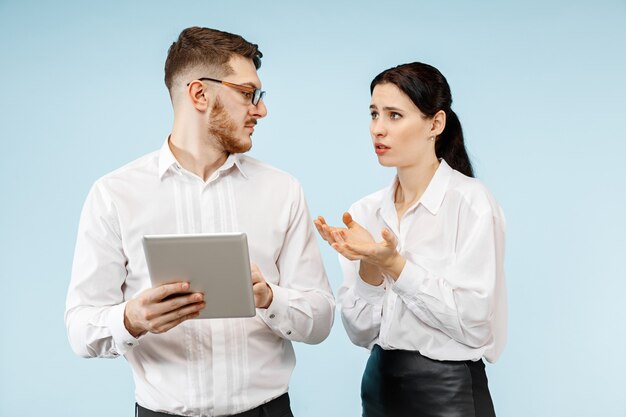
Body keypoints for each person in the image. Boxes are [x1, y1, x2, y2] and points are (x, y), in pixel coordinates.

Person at [65, 26, 335, 417]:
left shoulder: (283, 190)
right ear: (199, 94)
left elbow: (322, 318)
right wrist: (132, 318)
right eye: (248, 94)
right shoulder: (114, 195)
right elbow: (80, 329)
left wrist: (269, 298)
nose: (261, 109)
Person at [315, 62, 507, 417]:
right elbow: (360, 333)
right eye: (374, 114)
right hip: (379, 388)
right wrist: (371, 267)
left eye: (394, 115)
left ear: (435, 124)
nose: (378, 129)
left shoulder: (471, 203)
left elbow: (475, 324)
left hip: (448, 394)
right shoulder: (365, 212)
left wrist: (396, 266)